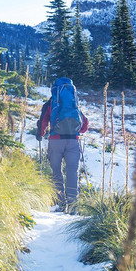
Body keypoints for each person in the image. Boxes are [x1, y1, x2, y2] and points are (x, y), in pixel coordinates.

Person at [36, 77, 88, 212]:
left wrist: (40, 134)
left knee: (57, 172)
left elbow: (43, 122)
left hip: (55, 141)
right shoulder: (74, 105)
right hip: (73, 142)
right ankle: (73, 205)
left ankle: (59, 203)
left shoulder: (51, 103)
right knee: (72, 172)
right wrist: (75, 130)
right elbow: (84, 126)